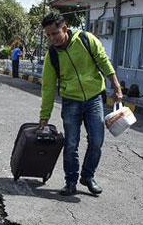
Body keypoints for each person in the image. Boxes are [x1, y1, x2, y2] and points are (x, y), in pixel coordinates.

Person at [38, 13, 122, 196]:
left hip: (94, 99)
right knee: (71, 143)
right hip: (71, 102)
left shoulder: (86, 39)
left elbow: (103, 60)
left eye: (55, 33)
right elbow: (48, 88)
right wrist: (44, 116)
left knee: (97, 140)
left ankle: (88, 176)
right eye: (48, 35)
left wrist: (115, 85)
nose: (52, 39)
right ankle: (70, 182)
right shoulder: (52, 55)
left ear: (65, 29)